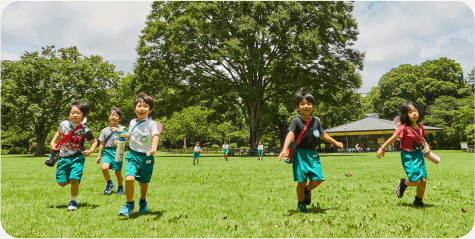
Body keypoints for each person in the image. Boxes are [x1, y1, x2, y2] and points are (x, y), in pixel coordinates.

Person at [278, 90, 343, 213]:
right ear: (298, 107)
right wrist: (285, 148)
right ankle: (301, 203)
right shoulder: (296, 121)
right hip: (300, 154)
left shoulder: (316, 121)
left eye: (309, 103)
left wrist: (336, 142)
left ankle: (307, 190)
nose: (306, 106)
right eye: (302, 104)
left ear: (313, 107)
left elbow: (323, 135)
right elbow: (290, 134)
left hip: (313, 154)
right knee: (301, 180)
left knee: (318, 178)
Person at [377, 101, 430, 208]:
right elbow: (393, 138)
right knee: (415, 180)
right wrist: (382, 148)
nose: (414, 113)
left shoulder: (420, 127)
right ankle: (403, 183)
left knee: (423, 179)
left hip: (418, 155)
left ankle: (418, 201)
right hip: (408, 156)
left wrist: (426, 146)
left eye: (415, 110)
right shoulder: (403, 128)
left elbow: (421, 138)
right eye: (410, 112)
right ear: (406, 115)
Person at [50, 100, 97, 211]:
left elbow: (94, 141)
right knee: (61, 183)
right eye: (72, 112)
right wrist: (53, 142)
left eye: (78, 113)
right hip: (63, 157)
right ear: (68, 114)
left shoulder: (85, 129)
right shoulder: (63, 124)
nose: (75, 115)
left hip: (77, 157)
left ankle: (73, 201)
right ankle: (74, 180)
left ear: (83, 115)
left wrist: (90, 151)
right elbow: (58, 132)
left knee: (74, 179)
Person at [117, 93, 159, 216]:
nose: (142, 109)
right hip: (133, 155)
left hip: (146, 157)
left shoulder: (151, 124)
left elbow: (155, 136)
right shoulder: (132, 122)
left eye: (145, 106)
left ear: (150, 110)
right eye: (139, 106)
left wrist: (153, 149)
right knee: (129, 178)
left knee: (143, 183)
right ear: (135, 109)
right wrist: (121, 135)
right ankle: (129, 204)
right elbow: (130, 135)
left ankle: (142, 201)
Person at [95, 107, 126, 195]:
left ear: (119, 119)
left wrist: (120, 141)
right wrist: (98, 156)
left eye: (116, 116)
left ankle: (120, 187)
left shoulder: (122, 129)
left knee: (117, 172)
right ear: (108, 118)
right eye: (112, 115)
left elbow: (125, 139)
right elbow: (101, 144)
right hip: (107, 151)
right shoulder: (105, 130)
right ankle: (109, 183)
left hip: (118, 151)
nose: (113, 117)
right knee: (104, 167)